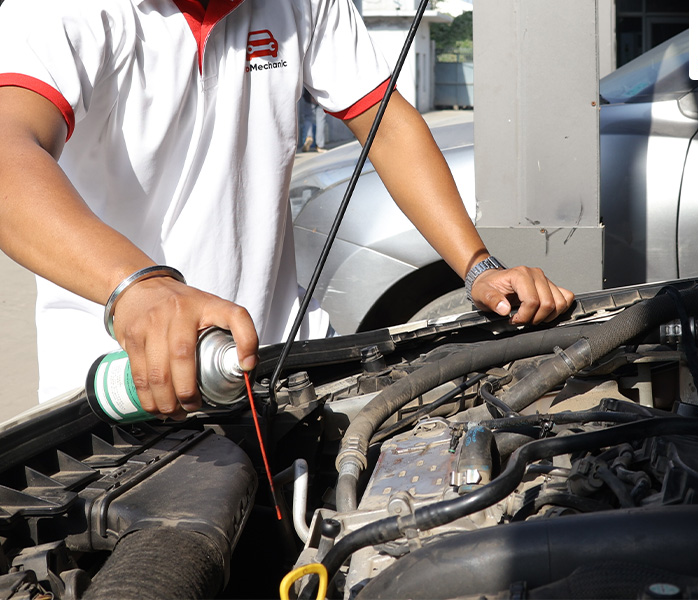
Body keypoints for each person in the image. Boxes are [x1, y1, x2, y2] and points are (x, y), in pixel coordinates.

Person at [0, 0, 573, 418]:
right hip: (120, 385)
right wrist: (138, 288)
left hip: (278, 370)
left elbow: (386, 123)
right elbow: (8, 152)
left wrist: (477, 266)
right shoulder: (62, 10)